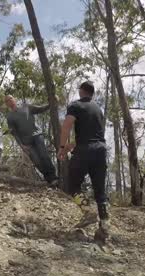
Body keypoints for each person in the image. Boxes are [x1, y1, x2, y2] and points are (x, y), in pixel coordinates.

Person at [58, 81, 110, 233]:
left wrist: (62, 147)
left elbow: (67, 126)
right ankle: (104, 228)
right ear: (92, 93)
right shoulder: (98, 110)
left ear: (81, 91)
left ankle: (88, 211)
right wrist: (71, 145)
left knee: (72, 185)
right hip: (100, 150)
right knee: (100, 191)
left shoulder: (76, 105)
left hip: (84, 152)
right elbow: (93, 136)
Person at [3, 94, 58, 187]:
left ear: (15, 99)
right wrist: (22, 146)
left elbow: (41, 109)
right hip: (26, 142)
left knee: (44, 155)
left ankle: (54, 177)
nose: (10, 101)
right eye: (7, 100)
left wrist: (52, 102)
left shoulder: (27, 107)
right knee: (37, 161)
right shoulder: (10, 117)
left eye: (11, 98)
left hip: (37, 135)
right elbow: (14, 133)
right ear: (6, 104)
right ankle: (49, 180)